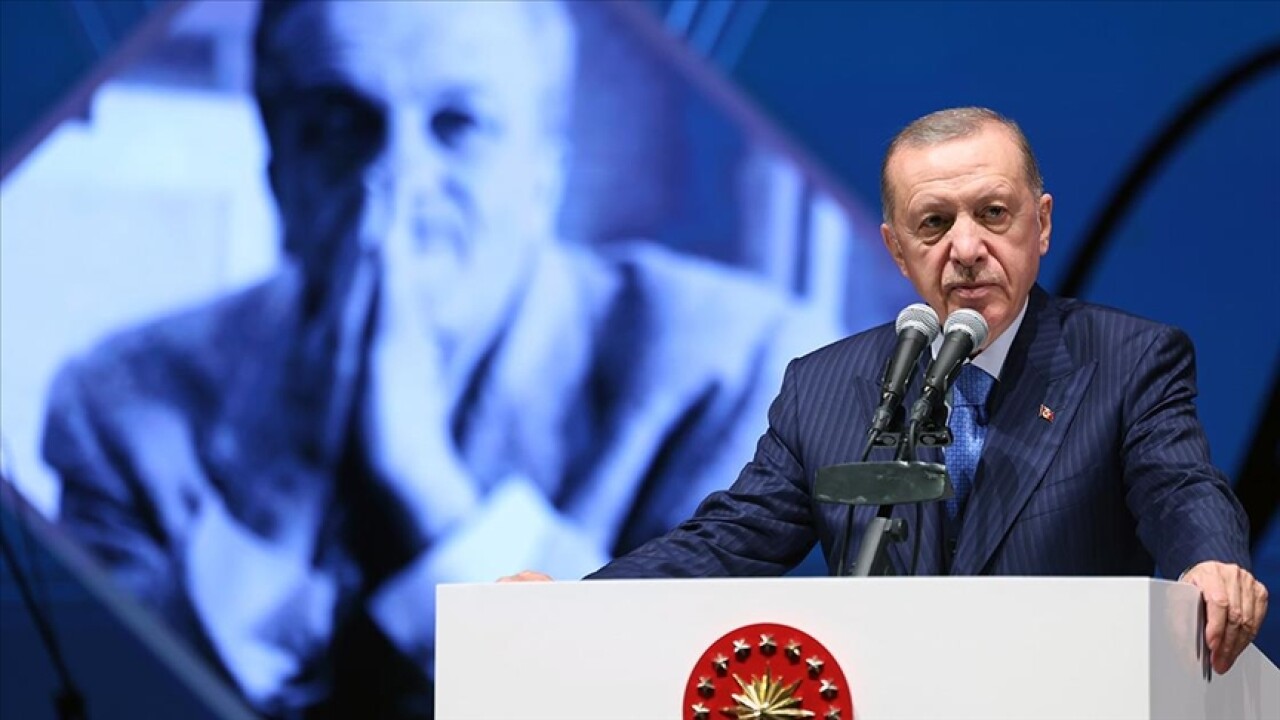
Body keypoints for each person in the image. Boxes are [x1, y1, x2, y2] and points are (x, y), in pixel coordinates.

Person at [41, 1, 834, 716]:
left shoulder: (745, 372)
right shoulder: (117, 406)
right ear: (278, 171)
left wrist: (431, 499)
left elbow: (712, 693)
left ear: (542, 175)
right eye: (341, 123)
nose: (396, 178)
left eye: (457, 124)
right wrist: (278, 496)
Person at [508, 107, 1269, 676]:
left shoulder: (1127, 359)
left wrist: (1209, 561)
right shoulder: (825, 386)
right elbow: (728, 541)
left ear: (1040, 225)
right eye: (933, 223)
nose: (966, 248)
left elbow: (1180, 486)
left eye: (993, 214)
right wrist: (577, 600)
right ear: (896, 250)